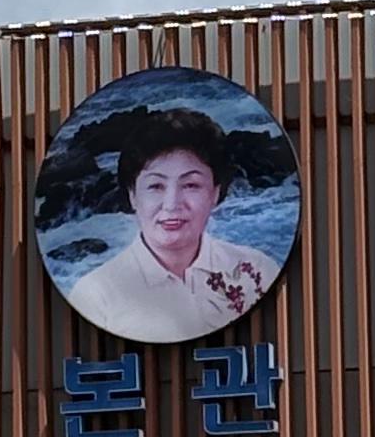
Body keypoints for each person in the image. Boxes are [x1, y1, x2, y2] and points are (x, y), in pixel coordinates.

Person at [59, 109, 275, 343]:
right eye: (156, 186)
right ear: (132, 195)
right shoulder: (96, 293)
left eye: (191, 185)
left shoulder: (258, 270)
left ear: (215, 192)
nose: (172, 205)